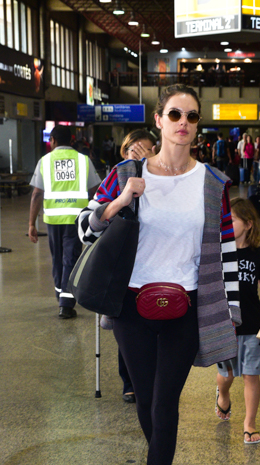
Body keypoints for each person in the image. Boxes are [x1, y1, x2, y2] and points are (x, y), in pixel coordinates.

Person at [83, 84, 241, 465]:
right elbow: (83, 226)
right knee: (147, 403)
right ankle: (161, 462)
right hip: (132, 306)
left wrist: (230, 314)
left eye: (192, 117)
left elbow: (226, 250)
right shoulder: (126, 173)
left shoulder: (213, 183)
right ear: (158, 119)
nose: (183, 123)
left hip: (185, 308)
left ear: (197, 126)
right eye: (175, 113)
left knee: (166, 402)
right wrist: (119, 202)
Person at [100, 129, 157, 403]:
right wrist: (122, 197)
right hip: (126, 266)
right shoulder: (119, 174)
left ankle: (154, 380)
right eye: (132, 149)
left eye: (144, 149)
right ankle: (129, 382)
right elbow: (92, 219)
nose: (137, 153)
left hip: (158, 267)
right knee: (128, 333)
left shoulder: (166, 176)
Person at [215, 198, 260, 444]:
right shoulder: (220, 252)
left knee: (251, 375)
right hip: (225, 325)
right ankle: (222, 394)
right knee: (228, 375)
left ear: (248, 224)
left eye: (232, 221)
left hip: (253, 324)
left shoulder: (258, 255)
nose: (227, 225)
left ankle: (249, 423)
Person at [28, 125, 101, 319]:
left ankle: (62, 298)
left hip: (53, 219)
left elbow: (36, 194)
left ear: (52, 140)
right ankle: (65, 302)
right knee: (71, 258)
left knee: (58, 259)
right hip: (76, 217)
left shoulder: (45, 161)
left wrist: (31, 224)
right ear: (71, 140)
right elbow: (96, 191)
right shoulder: (83, 161)